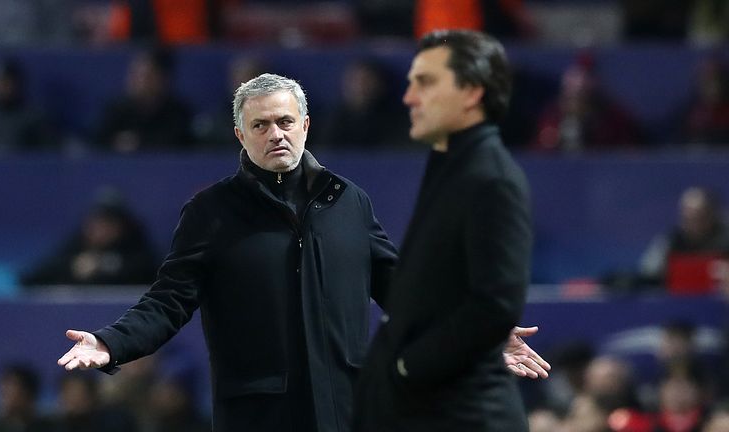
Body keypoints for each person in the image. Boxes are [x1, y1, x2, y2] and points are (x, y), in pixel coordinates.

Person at [58, 73, 547, 432]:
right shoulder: (212, 212)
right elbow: (168, 300)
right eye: (262, 125)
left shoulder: (348, 200)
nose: (277, 134)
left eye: (286, 121)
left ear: (306, 125)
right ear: (240, 136)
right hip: (258, 414)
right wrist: (110, 342)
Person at [353, 29, 542, 431]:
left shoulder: (491, 178)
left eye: (425, 82)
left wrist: (406, 365)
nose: (409, 97)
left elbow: (494, 305)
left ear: (472, 92)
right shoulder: (453, 166)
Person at [19, 188, 159, 286]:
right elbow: (32, 277)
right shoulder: (77, 244)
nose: (98, 229)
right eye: (96, 221)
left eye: (108, 222)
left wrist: (103, 265)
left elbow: (150, 272)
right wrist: (73, 266)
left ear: (120, 227)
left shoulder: (135, 247)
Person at [95, 47, 194, 153]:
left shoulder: (179, 113)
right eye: (134, 74)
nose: (136, 81)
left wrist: (139, 144)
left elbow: (179, 145)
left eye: (145, 76)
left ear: (163, 79)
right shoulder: (116, 110)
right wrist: (114, 143)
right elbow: (96, 144)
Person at [0, 363, 52, 432]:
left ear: (28, 394)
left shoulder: (49, 427)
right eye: (3, 392)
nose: (4, 398)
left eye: (10, 391)